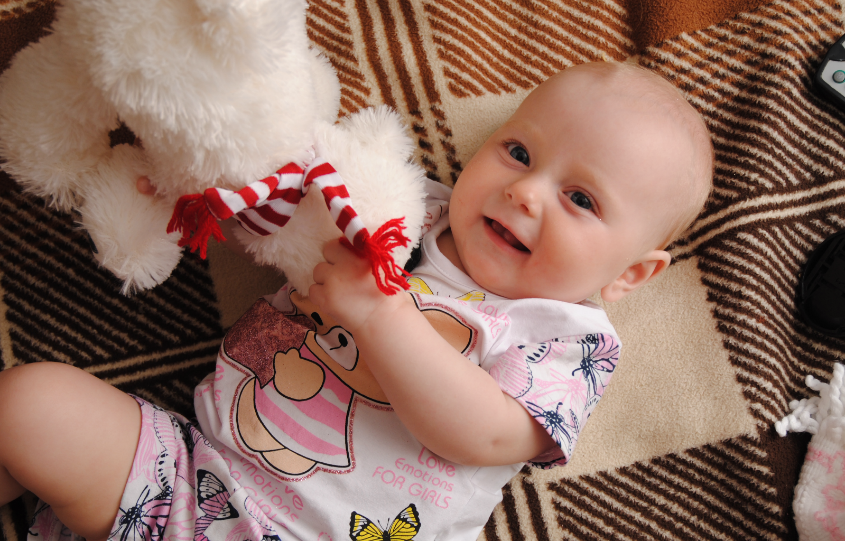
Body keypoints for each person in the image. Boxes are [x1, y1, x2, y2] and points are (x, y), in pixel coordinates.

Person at [0, 61, 713, 541]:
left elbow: (491, 435)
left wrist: (380, 317)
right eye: (519, 153)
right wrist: (200, 186)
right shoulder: (397, 207)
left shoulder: (568, 340)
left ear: (632, 273)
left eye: (580, 199)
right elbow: (285, 220)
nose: (524, 192)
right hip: (190, 481)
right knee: (31, 404)